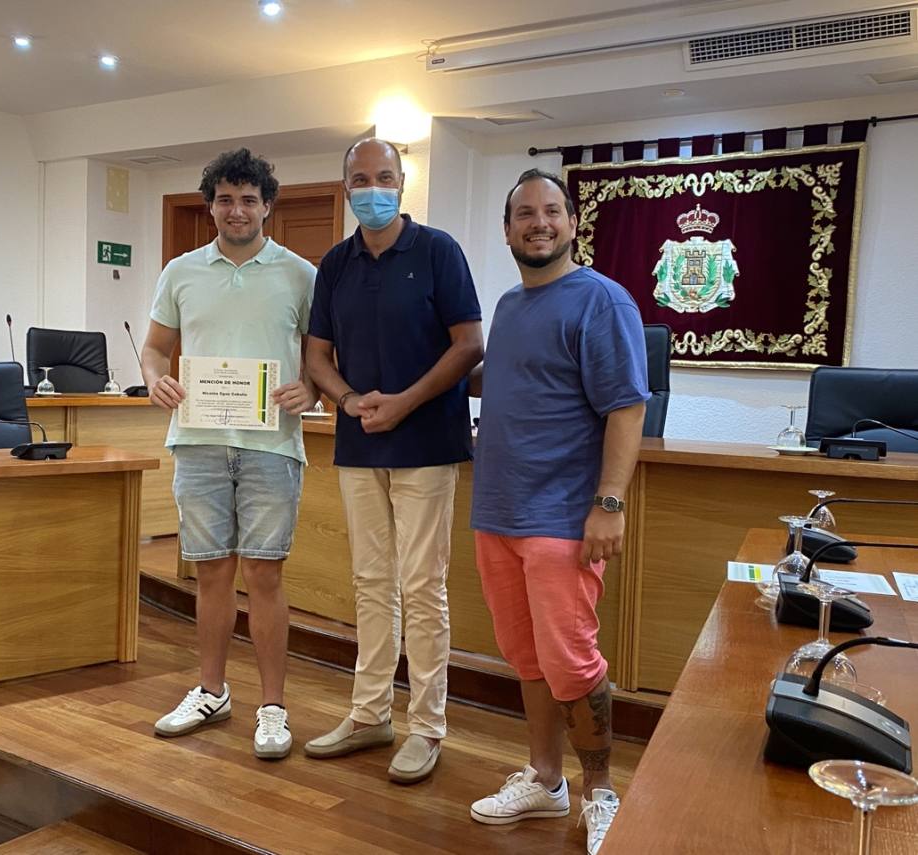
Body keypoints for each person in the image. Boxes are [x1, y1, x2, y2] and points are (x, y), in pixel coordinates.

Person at [467, 169, 649, 854]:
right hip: (498, 513)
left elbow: (626, 407)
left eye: (551, 211)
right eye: (524, 213)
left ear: (573, 223)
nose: (538, 223)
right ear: (507, 229)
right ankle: (545, 780)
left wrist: (609, 503)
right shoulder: (510, 305)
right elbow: (508, 382)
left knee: (571, 660)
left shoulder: (601, 300)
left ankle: (601, 791)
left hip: (562, 516)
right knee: (528, 658)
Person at [303, 138, 483, 784]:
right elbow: (317, 355)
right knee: (371, 582)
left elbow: (470, 344)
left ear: (402, 183)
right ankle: (370, 712)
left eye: (384, 177)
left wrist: (405, 402)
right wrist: (349, 400)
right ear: (345, 187)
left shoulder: (438, 252)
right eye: (360, 179)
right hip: (359, 443)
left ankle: (426, 726)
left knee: (423, 586)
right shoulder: (336, 263)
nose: (372, 189)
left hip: (426, 442)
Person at [141, 148, 318, 760]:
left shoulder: (301, 274)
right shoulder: (180, 272)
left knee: (264, 574)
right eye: (224, 200)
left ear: (267, 206)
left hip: (273, 445)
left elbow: (321, 357)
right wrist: (155, 379)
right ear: (210, 207)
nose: (236, 210)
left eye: (248, 200)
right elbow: (155, 348)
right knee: (212, 572)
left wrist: (312, 388)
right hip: (199, 442)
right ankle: (211, 692)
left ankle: (273, 707)